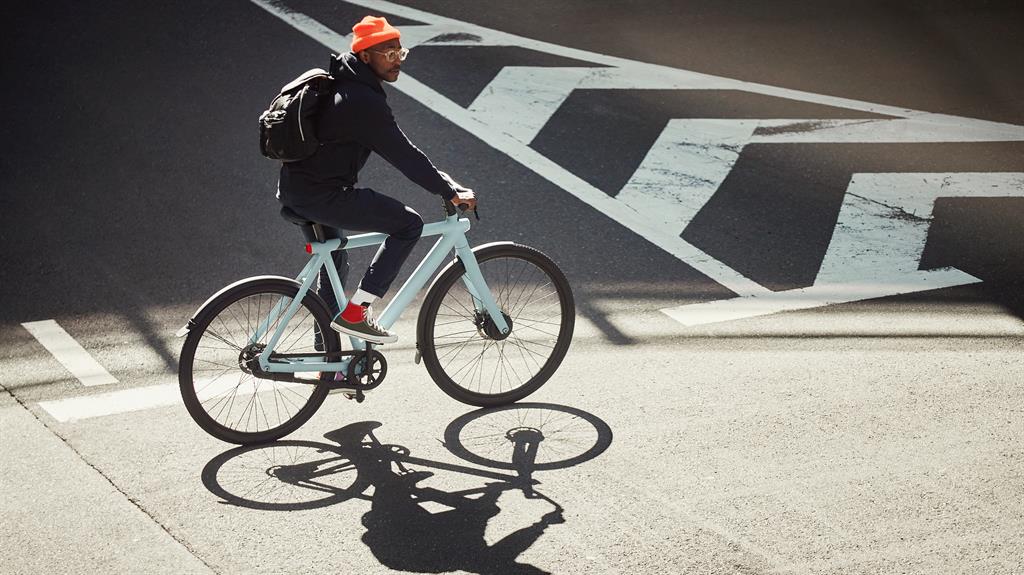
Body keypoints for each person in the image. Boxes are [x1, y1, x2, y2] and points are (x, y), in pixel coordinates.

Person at [276, 15, 476, 344]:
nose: (397, 61)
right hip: (323, 196)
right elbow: (405, 156)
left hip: (298, 191)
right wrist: (449, 190)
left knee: (334, 266)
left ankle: (332, 359)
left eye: (401, 53)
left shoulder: (342, 85)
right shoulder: (362, 101)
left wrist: (445, 184)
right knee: (408, 224)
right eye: (389, 53)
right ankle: (357, 314)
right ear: (366, 56)